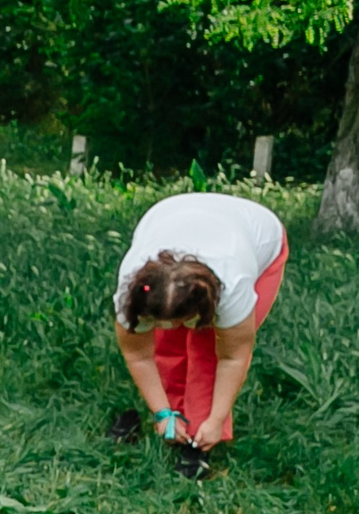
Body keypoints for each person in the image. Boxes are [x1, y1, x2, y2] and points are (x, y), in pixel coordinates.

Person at [110, 192, 288, 479]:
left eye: (181, 320)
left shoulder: (233, 284)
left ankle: (201, 436)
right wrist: (161, 412)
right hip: (175, 213)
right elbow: (138, 354)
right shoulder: (132, 289)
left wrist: (217, 418)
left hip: (258, 234)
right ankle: (173, 420)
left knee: (206, 348)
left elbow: (233, 357)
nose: (168, 327)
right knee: (166, 345)